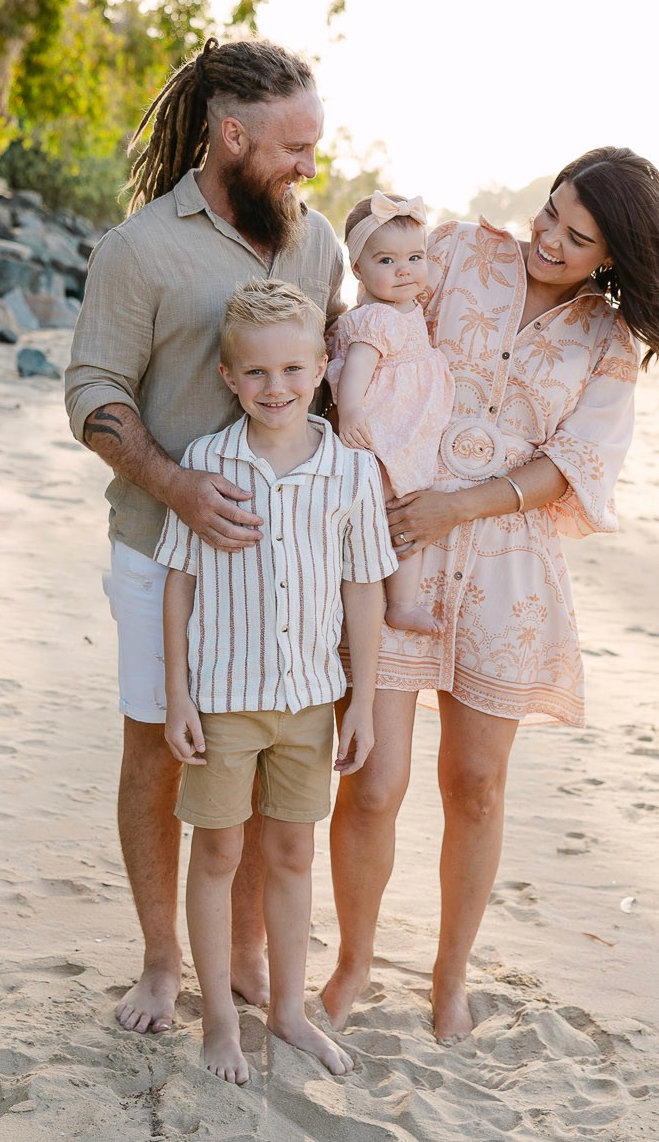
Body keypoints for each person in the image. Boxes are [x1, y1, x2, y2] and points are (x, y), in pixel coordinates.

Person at [320, 147, 659, 1041]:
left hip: (506, 568)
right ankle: (353, 964)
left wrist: (464, 506)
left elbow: (576, 465)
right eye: (550, 212)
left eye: (576, 234)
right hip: (400, 537)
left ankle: (451, 979)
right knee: (373, 778)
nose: (548, 237)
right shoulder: (457, 252)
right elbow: (374, 302)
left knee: (476, 784)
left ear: (613, 252)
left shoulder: (608, 343)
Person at [65, 38, 349, 1035]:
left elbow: (339, 377)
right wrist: (175, 483)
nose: (308, 164)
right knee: (160, 745)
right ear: (232, 135)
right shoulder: (138, 249)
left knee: (267, 757)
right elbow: (91, 392)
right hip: (160, 548)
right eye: (293, 146)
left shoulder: (315, 244)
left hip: (288, 574)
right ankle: (156, 962)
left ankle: (238, 963)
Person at [157, 280, 392, 1082]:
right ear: (228, 377)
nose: (276, 387)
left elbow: (363, 587)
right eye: (255, 373)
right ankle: (220, 1021)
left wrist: (361, 699)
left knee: (293, 850)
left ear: (324, 367)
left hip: (309, 700)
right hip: (223, 698)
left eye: (294, 368)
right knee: (219, 848)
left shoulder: (350, 473)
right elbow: (179, 581)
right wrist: (178, 694)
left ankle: (288, 1013)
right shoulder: (205, 463)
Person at [326, 191, 454, 634]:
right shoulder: (375, 319)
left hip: (407, 431)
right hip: (381, 431)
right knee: (384, 512)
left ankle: (401, 603)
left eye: (415, 257)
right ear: (358, 269)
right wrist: (352, 410)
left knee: (406, 518)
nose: (404, 269)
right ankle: (380, 597)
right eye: (386, 261)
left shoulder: (408, 305)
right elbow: (357, 368)